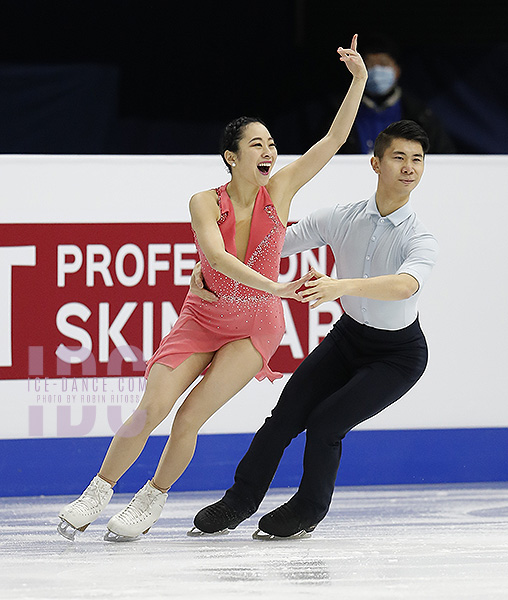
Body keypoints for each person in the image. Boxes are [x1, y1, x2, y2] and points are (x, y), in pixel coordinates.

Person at [56, 35, 368, 542]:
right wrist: (276, 285)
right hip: (202, 318)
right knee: (151, 408)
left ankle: (151, 498)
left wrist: (356, 80)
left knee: (188, 419)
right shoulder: (204, 201)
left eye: (271, 143)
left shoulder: (282, 188)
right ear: (231, 156)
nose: (269, 151)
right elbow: (217, 257)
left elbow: (331, 140)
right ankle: (98, 490)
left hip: (255, 328)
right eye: (257, 144)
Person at [191, 119, 438, 539]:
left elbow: (405, 286)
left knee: (326, 423)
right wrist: (210, 267)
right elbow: (266, 246)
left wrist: (339, 286)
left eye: (417, 159)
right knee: (283, 418)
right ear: (375, 164)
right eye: (399, 157)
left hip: (397, 356)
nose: (409, 167)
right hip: (348, 338)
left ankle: (308, 508)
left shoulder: (421, 236)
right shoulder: (341, 217)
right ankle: (239, 501)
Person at [338, 37, 456, 154]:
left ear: (397, 70)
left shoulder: (422, 115)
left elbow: (444, 160)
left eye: (384, 64)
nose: (377, 70)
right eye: (370, 65)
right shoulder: (338, 112)